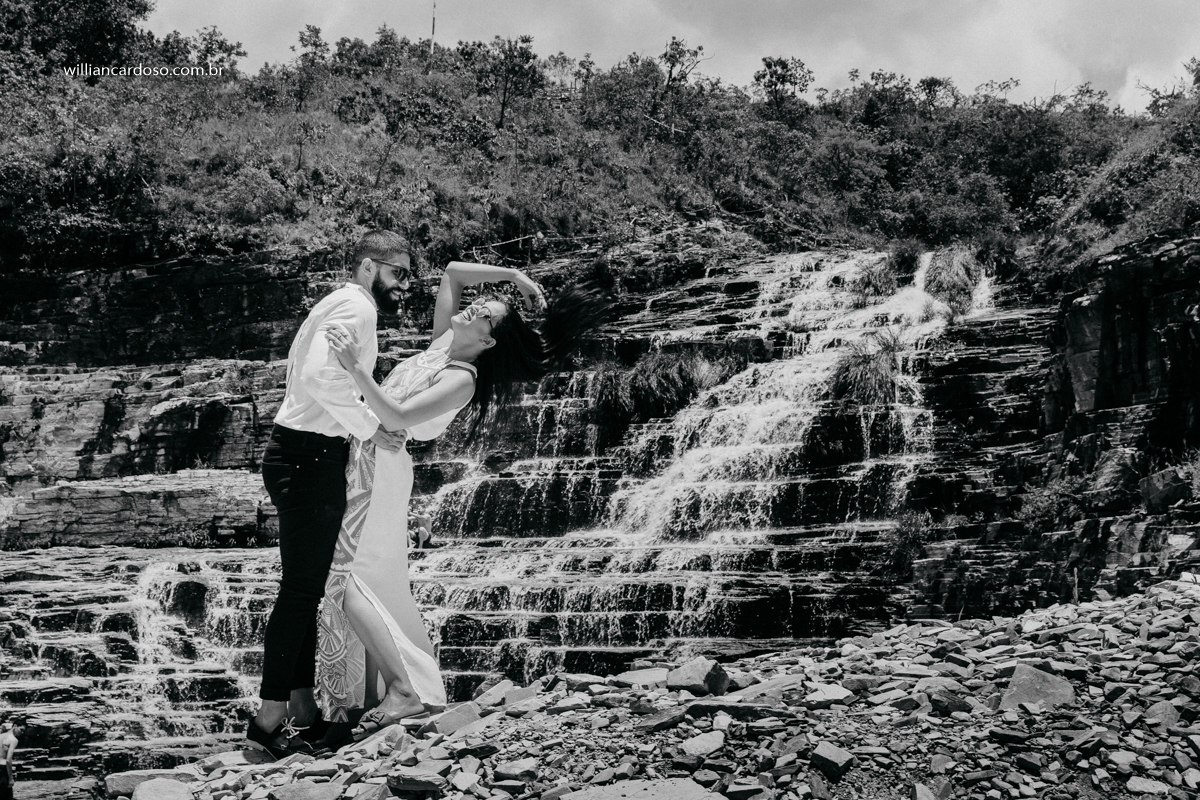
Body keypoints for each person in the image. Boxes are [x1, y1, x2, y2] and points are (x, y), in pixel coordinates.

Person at [315, 260, 607, 742]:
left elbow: (394, 415)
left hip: (381, 475)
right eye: (480, 303)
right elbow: (451, 272)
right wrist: (513, 280)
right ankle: (369, 702)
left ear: (489, 341)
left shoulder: (462, 377)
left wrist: (352, 368)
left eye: (486, 314)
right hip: (362, 464)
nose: (473, 307)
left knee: (345, 582)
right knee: (368, 585)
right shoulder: (441, 347)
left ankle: (402, 690)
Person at [246, 230, 413, 758]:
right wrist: (370, 427)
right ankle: (269, 719)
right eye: (398, 272)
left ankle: (301, 711)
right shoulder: (357, 307)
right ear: (369, 267)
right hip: (309, 458)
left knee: (304, 589)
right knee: (300, 593)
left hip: (300, 454)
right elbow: (321, 379)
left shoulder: (339, 303)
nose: (404, 285)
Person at [0, 717, 24, 800]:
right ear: (15, 726)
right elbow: (8, 760)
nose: (22, 733)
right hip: (2, 770)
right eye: (21, 729)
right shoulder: (13, 740)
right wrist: (10, 778)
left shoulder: (1, 736)